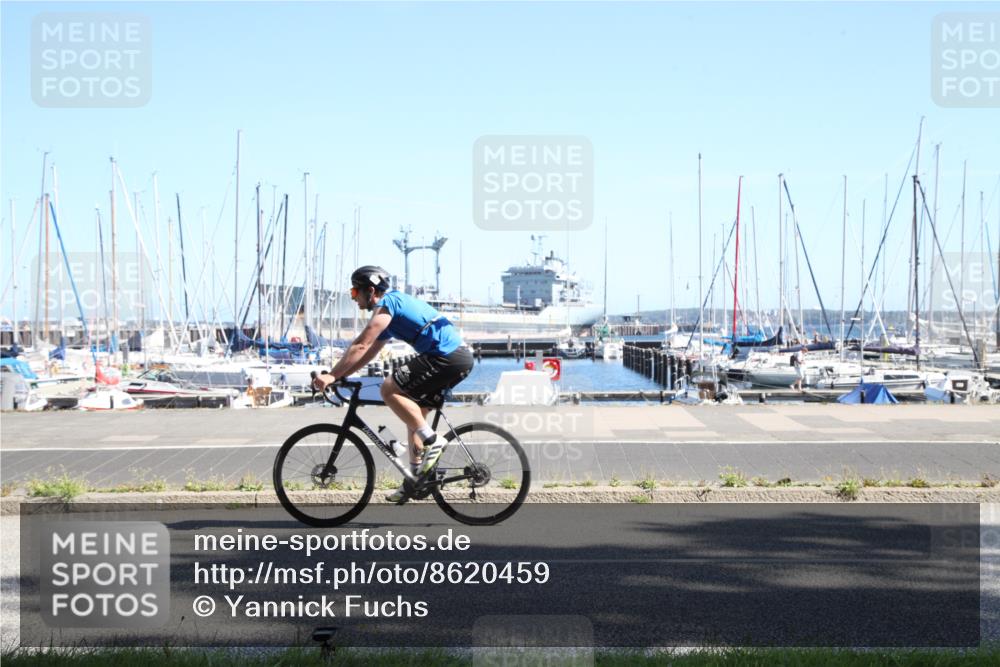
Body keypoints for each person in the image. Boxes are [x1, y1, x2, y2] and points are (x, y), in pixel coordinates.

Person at [312, 266, 473, 503]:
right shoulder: (390, 314)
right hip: (455, 359)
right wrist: (341, 375)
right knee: (414, 417)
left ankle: (434, 440)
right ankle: (415, 480)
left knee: (388, 389)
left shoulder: (388, 305)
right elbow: (369, 353)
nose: (354, 298)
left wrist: (332, 376)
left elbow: (360, 345)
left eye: (355, 292)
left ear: (371, 291)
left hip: (446, 356)